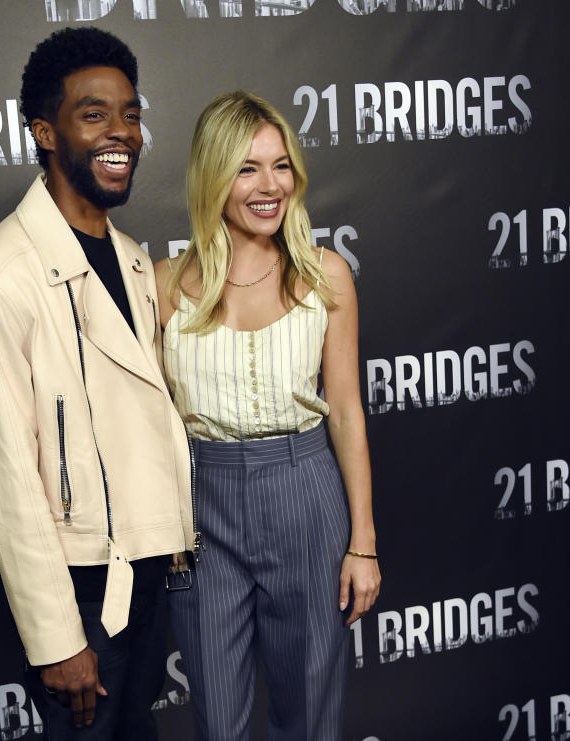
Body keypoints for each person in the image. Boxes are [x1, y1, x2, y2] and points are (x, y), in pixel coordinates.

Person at [0, 27, 194, 740]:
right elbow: (5, 474)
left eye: (130, 113)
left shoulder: (133, 258)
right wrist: (57, 635)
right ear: (45, 133)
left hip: (146, 568)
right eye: (93, 115)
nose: (121, 133)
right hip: (76, 583)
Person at [155, 91, 381, 741]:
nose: (269, 185)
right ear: (212, 176)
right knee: (218, 721)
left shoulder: (327, 275)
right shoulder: (163, 285)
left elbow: (344, 413)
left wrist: (361, 542)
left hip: (304, 490)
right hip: (203, 506)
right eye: (247, 168)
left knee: (309, 710)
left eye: (280, 166)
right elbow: (151, 431)